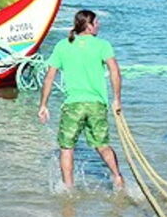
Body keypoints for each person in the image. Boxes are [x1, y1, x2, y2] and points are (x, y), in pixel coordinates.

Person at [38, 10, 124, 189]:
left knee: (67, 148)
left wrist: (43, 105)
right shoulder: (103, 45)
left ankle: (68, 188)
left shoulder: (62, 45)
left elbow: (49, 77)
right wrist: (117, 99)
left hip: (73, 105)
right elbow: (115, 71)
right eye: (96, 22)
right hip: (97, 104)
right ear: (89, 25)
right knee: (102, 144)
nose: (99, 25)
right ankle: (117, 178)